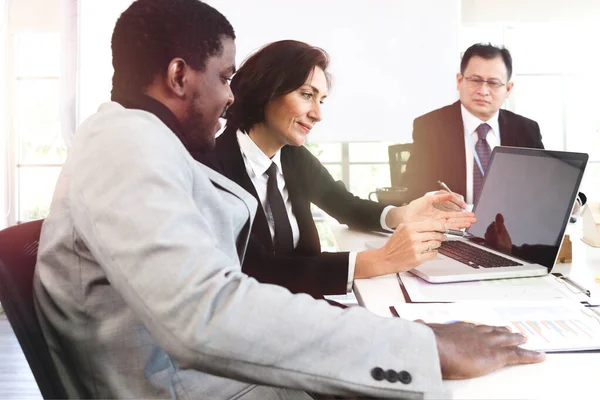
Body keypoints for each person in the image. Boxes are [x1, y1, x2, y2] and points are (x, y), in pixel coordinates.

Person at [33, 1, 545, 398]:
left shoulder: (145, 143)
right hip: (180, 385)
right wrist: (425, 347)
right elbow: (208, 313)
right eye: (224, 77)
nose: (231, 96)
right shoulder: (126, 145)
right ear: (178, 76)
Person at [199, 40, 476, 298]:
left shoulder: (293, 157)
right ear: (266, 89)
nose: (318, 114)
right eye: (306, 95)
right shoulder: (214, 167)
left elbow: (346, 206)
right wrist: (380, 260)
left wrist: (403, 213)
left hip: (305, 305)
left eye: (321, 101)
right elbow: (257, 270)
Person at [402, 43, 544, 207]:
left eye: (493, 83)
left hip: (507, 228)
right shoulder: (430, 126)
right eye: (475, 80)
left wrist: (575, 200)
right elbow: (411, 187)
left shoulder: (526, 130)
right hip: (451, 228)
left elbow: (544, 183)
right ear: (459, 81)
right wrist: (433, 197)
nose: (483, 91)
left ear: (508, 89)